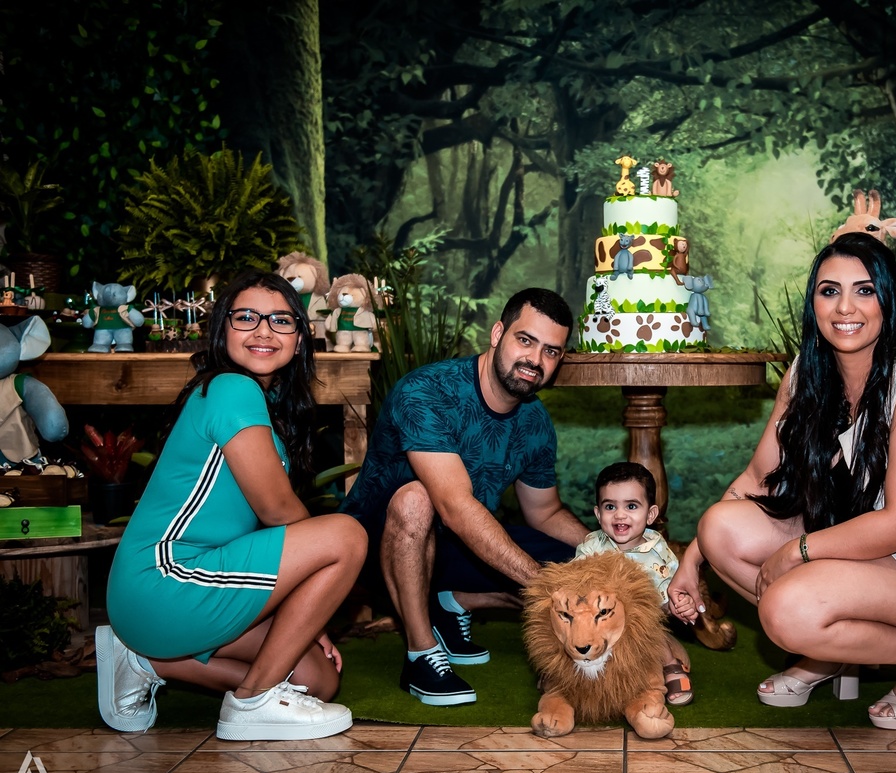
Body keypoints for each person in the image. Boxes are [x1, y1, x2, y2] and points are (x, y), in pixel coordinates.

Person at [667, 232, 896, 730]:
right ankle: (829, 650)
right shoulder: (807, 372)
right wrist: (693, 560)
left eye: (864, 290)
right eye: (829, 291)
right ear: (814, 303)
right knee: (719, 527)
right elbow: (757, 478)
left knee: (786, 609)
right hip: (856, 551)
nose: (845, 307)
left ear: (888, 300)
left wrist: (797, 552)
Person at [98, 270, 368, 741]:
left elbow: (256, 530)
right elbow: (277, 511)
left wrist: (307, 613)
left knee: (316, 680)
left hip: (197, 581)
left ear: (299, 339)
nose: (264, 331)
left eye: (281, 320)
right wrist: (316, 581)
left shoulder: (264, 403)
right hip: (164, 580)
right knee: (347, 535)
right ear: (222, 329)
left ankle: (143, 660)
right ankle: (252, 703)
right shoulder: (230, 388)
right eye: (246, 318)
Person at [341, 288, 589, 706]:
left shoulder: (535, 421)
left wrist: (607, 553)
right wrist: (546, 586)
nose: (535, 360)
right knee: (416, 499)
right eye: (525, 340)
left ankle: (450, 603)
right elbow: (454, 507)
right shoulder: (426, 391)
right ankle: (421, 653)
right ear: (497, 334)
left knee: (579, 570)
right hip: (377, 546)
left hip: (455, 545)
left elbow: (545, 513)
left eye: (551, 351)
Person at [576, 461, 697, 705]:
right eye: (610, 506)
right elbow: (576, 589)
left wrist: (681, 605)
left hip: (642, 627)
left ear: (650, 514)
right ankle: (563, 676)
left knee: (648, 621)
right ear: (598, 514)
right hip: (600, 623)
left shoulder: (658, 551)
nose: (620, 515)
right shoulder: (591, 547)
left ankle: (670, 665)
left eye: (631, 506)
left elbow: (668, 594)